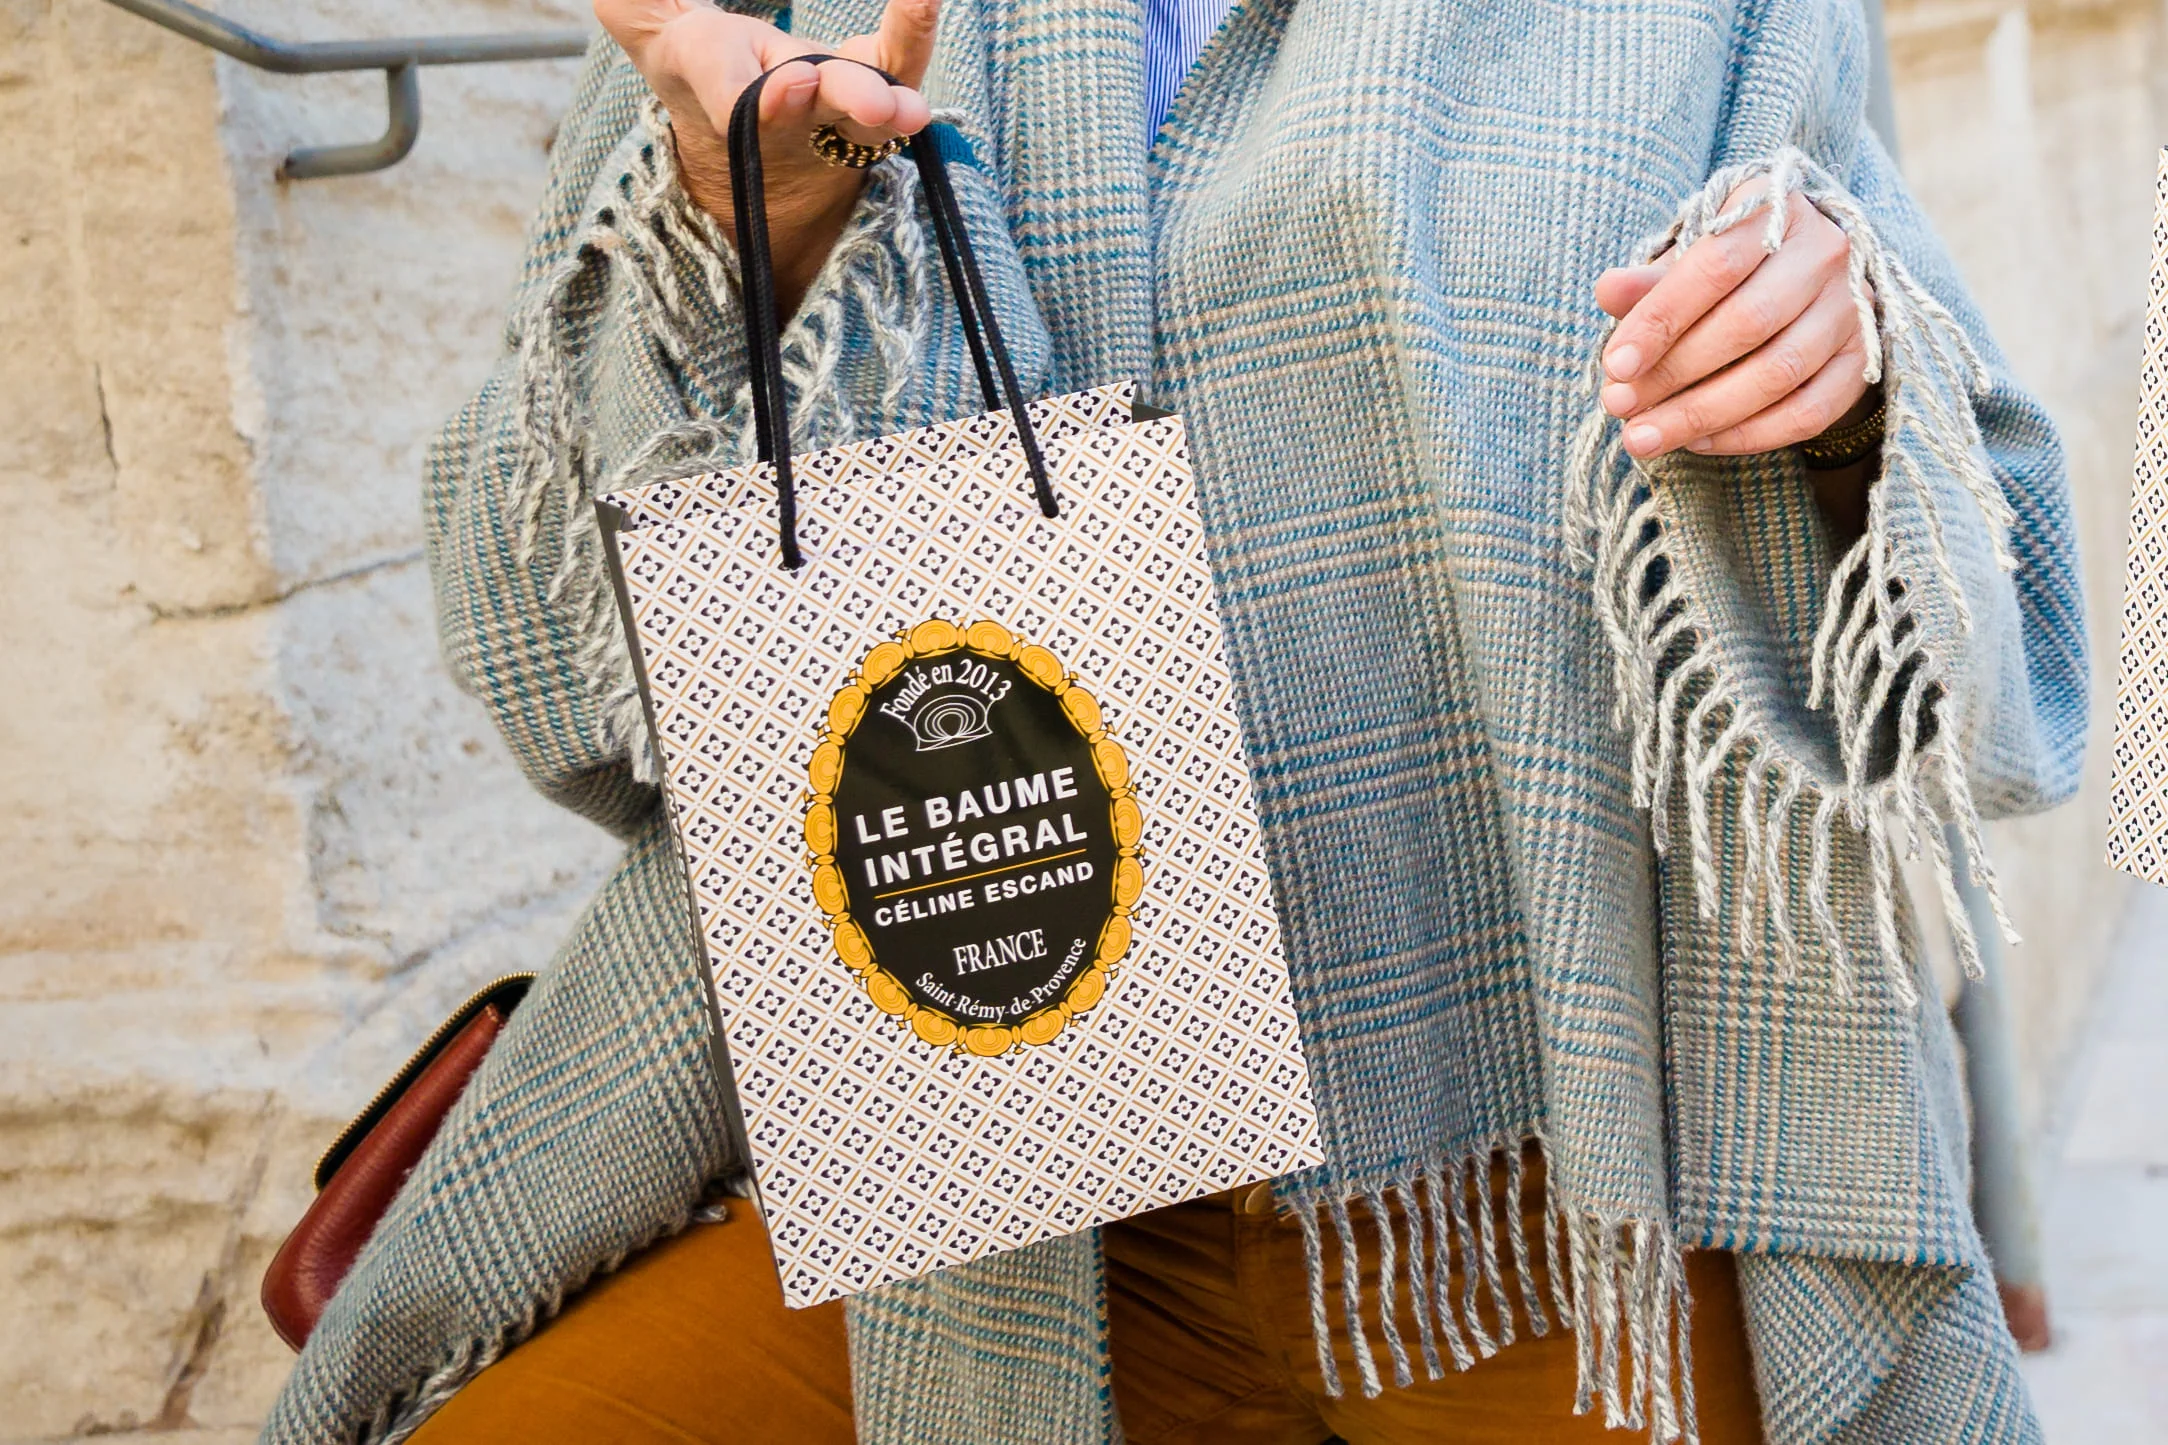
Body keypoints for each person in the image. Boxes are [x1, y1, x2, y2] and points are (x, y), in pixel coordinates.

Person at [264, 1, 2087, 1442]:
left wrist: (1844, 383)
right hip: (993, 1223)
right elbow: (553, 668)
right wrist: (771, 227)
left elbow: (1986, 648)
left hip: (1575, 1204)